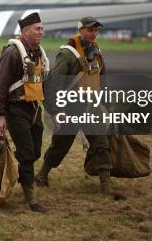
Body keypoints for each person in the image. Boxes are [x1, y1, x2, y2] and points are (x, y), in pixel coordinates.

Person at [36, 16, 114, 195]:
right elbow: (54, 84)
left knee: (102, 144)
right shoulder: (67, 53)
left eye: (96, 30)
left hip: (92, 107)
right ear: (80, 30)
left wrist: (109, 106)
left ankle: (106, 187)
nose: (93, 33)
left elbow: (102, 81)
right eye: (90, 30)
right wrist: (56, 110)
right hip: (71, 108)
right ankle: (42, 175)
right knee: (60, 145)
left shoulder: (96, 51)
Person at [0, 12, 49, 213]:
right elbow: (1, 85)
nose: (41, 31)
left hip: (34, 109)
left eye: (42, 28)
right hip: (15, 110)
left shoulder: (40, 53)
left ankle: (19, 171)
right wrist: (0, 115)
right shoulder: (13, 53)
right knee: (27, 154)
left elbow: (44, 85)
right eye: (37, 28)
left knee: (35, 152)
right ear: (25, 32)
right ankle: (31, 198)